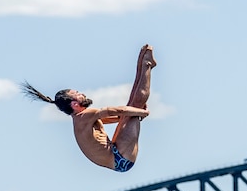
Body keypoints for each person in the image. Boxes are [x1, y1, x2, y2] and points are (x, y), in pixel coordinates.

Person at [21, 44, 156, 172]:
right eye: (78, 94)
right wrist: (142, 113)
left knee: (131, 107)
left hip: (116, 155)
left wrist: (129, 115)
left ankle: (144, 63)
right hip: (121, 159)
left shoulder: (81, 120)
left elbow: (111, 118)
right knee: (135, 105)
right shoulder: (83, 116)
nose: (83, 94)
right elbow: (115, 110)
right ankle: (146, 64)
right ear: (74, 104)